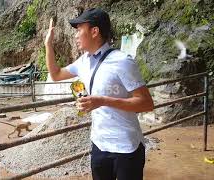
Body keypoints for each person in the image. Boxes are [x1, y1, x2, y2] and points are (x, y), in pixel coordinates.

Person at [44, 8, 154, 180]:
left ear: (94, 31)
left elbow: (146, 103)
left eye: (79, 29)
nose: (75, 35)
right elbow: (56, 74)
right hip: (99, 144)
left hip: (126, 147)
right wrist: (48, 45)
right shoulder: (83, 61)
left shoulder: (122, 61)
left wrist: (103, 101)